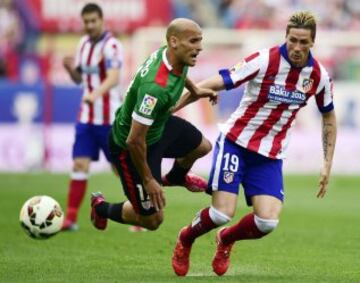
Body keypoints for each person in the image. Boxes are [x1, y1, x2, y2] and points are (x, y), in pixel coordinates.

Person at [171, 11, 337, 276]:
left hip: (269, 155)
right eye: (292, 40)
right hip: (236, 142)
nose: (296, 47)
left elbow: (328, 116)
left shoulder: (318, 76)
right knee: (221, 213)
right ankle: (186, 238)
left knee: (267, 222)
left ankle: (226, 239)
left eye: (303, 42)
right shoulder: (264, 60)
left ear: (312, 43)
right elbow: (219, 80)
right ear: (286, 36)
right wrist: (176, 104)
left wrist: (327, 163)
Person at [89, 18, 217, 231]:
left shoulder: (172, 54)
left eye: (200, 41)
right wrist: (148, 180)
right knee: (152, 220)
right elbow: (134, 140)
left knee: (202, 147)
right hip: (131, 148)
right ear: (174, 42)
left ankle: (176, 177)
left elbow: (180, 74)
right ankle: (101, 207)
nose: (199, 47)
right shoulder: (155, 88)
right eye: (194, 41)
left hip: (157, 128)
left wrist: (195, 91)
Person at [62, 3, 124, 231]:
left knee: (120, 169)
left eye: (93, 21)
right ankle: (70, 219)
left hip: (110, 119)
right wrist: (70, 70)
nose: (89, 25)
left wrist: (95, 94)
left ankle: (139, 211)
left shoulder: (112, 46)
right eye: (85, 22)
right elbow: (80, 80)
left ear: (101, 20)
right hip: (87, 117)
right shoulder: (83, 44)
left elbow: (114, 78)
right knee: (79, 164)